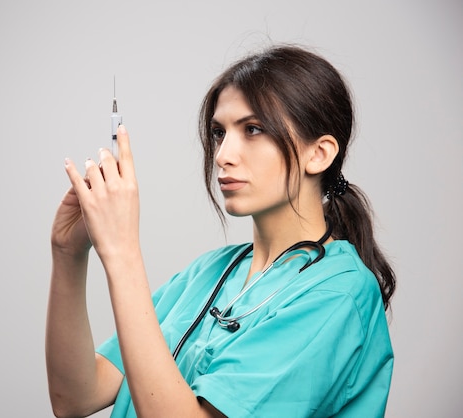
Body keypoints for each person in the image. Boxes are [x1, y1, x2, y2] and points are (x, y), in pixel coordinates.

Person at [46, 45, 396, 418]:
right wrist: (68, 254)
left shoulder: (338, 295)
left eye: (253, 129)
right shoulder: (209, 273)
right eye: (218, 132)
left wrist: (121, 252)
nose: (222, 155)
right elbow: (76, 396)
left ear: (319, 154)